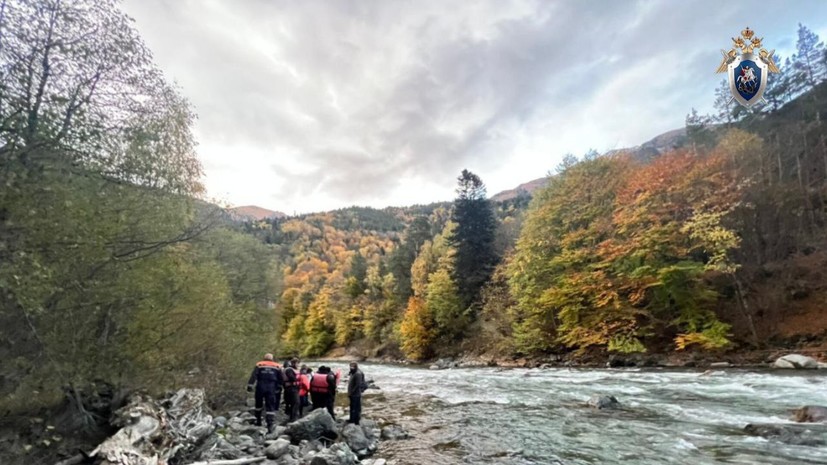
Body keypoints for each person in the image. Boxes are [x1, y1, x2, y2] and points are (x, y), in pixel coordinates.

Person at [246, 353, 283, 432]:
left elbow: (254, 376)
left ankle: (258, 420)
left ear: (264, 358)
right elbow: (281, 378)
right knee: (270, 405)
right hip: (271, 387)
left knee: (258, 404)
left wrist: (250, 385)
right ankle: (270, 424)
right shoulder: (277, 366)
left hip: (260, 386)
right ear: (272, 359)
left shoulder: (259, 364)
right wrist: (280, 387)